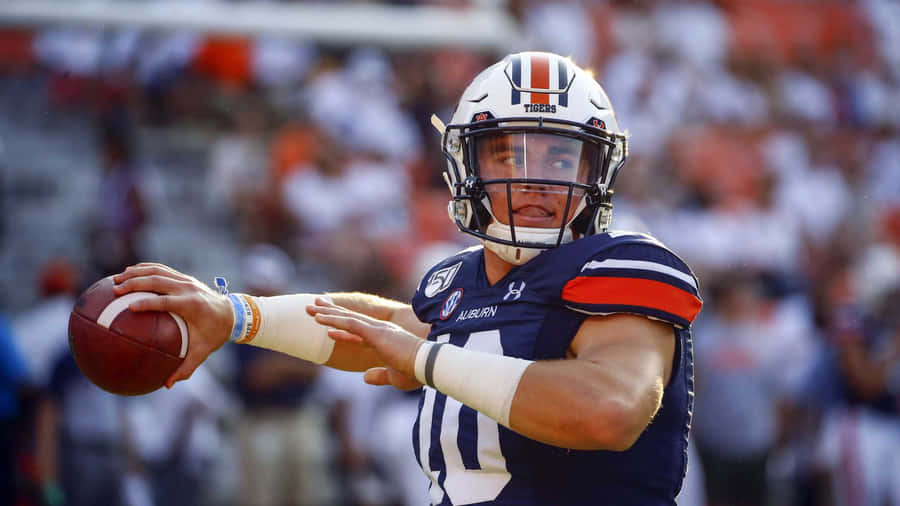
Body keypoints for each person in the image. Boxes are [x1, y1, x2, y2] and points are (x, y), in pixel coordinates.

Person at [113, 51, 703, 505]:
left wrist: (423, 358)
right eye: (509, 155)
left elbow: (609, 409)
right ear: (467, 165)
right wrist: (237, 315)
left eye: (560, 156)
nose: (535, 178)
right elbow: (380, 329)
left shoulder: (623, 264)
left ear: (596, 171)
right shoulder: (458, 281)